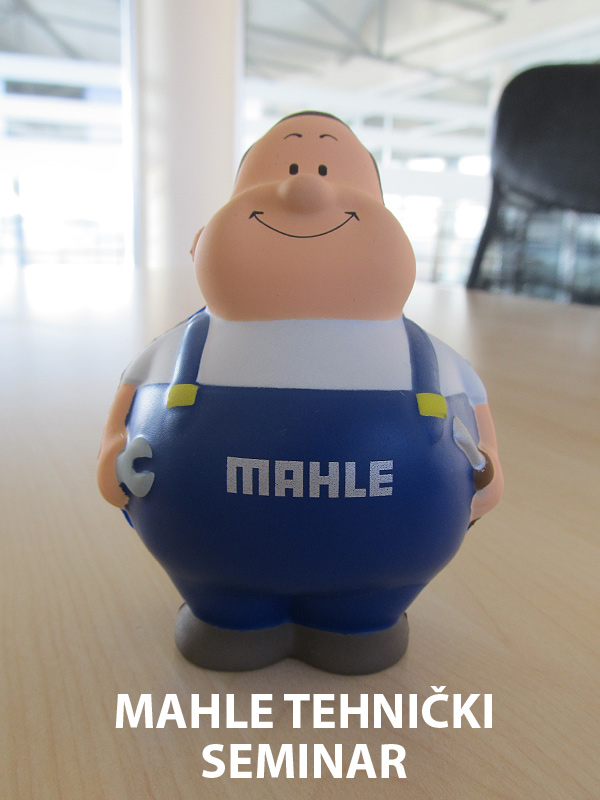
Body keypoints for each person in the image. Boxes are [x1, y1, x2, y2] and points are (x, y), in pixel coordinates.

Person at [98, 112, 503, 673]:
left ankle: (360, 621)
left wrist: (489, 476)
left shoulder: (433, 361)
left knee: (359, 628)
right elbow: (121, 417)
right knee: (229, 620)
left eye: (330, 173)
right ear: (200, 243)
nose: (306, 189)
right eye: (285, 171)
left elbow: (483, 437)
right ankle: (228, 616)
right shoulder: (175, 352)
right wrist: (110, 458)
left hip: (387, 569)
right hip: (207, 561)